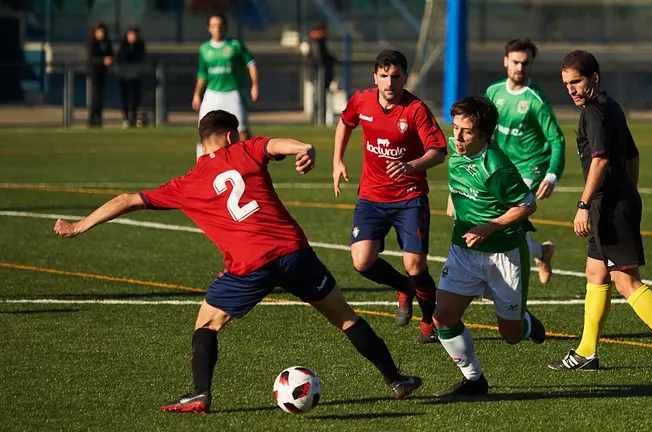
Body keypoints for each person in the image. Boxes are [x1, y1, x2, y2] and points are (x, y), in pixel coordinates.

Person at [53, 110, 423, 413]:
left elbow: (127, 199)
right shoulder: (246, 150)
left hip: (249, 265)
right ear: (232, 136)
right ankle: (396, 380)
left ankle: (200, 393)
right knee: (345, 317)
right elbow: (278, 143)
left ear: (203, 141)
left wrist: (79, 225)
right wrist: (304, 147)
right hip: (294, 253)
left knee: (207, 322)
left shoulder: (187, 182)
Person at [549, 51, 652, 375]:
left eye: (576, 81)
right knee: (595, 273)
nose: (571, 89)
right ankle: (587, 351)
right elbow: (633, 156)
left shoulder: (593, 111)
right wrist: (629, 193)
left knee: (626, 281)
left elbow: (601, 160)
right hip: (616, 202)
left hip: (608, 206)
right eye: (566, 84)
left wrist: (584, 204)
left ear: (594, 78)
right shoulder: (611, 106)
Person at [333, 50, 447, 343]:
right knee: (361, 261)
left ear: (404, 78)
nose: (389, 82)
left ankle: (428, 321)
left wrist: (411, 166)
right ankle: (403, 287)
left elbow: (438, 152)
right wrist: (338, 160)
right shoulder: (361, 100)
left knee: (415, 265)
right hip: (372, 196)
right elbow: (345, 122)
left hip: (410, 197)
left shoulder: (416, 109)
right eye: (384, 76)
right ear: (375, 78)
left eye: (395, 76)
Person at [435, 96, 546, 398]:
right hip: (464, 252)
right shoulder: (457, 148)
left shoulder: (496, 166)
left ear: (484, 134)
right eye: (455, 128)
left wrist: (489, 226)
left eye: (467, 131)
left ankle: (525, 322)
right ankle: (474, 380)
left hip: (504, 256)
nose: (457, 137)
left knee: (510, 336)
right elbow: (457, 175)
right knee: (442, 319)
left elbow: (527, 204)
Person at [485, 38, 565, 284]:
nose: (520, 68)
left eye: (526, 63)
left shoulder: (534, 99)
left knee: (502, 221)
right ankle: (543, 252)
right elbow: (485, 132)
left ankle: (502, 283)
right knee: (500, 223)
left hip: (531, 168)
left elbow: (557, 139)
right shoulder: (493, 92)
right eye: (516, 62)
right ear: (506, 62)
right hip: (504, 168)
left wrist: (552, 175)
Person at [193, 14, 259, 159]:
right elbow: (202, 74)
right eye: (214, 25)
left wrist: (255, 85)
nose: (217, 28)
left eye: (220, 25)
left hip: (232, 93)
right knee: (204, 131)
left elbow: (251, 64)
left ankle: (249, 161)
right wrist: (197, 94)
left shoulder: (235, 45)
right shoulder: (204, 49)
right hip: (212, 94)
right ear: (209, 28)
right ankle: (202, 168)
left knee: (242, 132)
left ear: (225, 27)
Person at [116, 27, 146, 128]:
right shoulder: (123, 46)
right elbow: (121, 57)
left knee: (135, 98)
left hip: (135, 75)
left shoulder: (139, 46)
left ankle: (133, 117)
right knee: (125, 97)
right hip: (124, 75)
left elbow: (141, 58)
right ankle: (125, 118)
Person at [86, 22, 113, 128]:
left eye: (102, 32)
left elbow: (111, 53)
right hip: (94, 72)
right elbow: (91, 58)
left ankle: (99, 118)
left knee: (101, 96)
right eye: (99, 32)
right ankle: (92, 118)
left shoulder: (107, 43)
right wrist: (102, 60)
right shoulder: (92, 43)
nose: (101, 34)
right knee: (95, 96)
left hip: (103, 72)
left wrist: (110, 59)